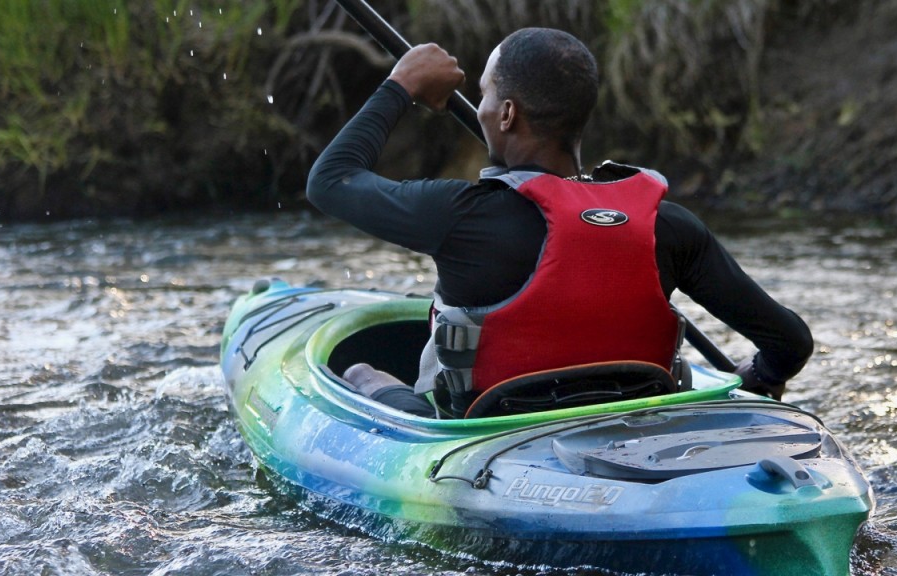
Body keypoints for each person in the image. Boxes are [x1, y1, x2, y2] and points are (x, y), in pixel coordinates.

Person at [307, 28, 813, 418]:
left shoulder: (460, 216)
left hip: (483, 436)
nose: (479, 108)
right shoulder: (667, 226)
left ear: (506, 114)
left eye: (484, 95)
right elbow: (789, 341)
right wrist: (760, 377)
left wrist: (402, 84)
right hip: (631, 427)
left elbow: (330, 181)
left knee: (359, 372)